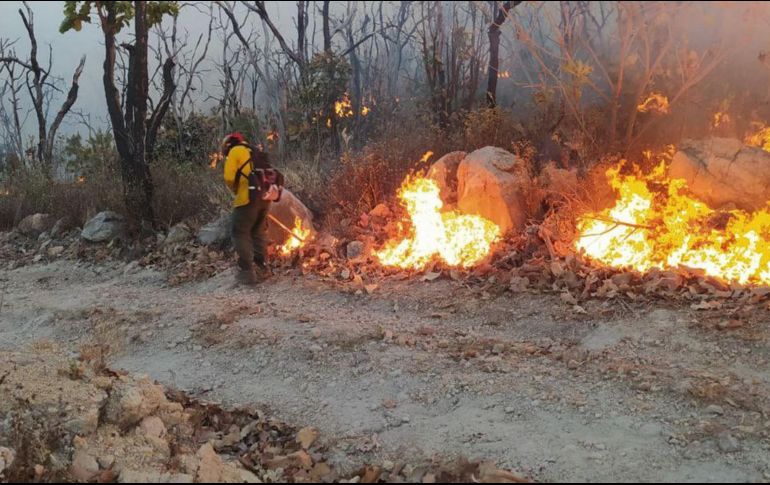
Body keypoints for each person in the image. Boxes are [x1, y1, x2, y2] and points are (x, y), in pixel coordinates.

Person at [221, 132, 283, 285]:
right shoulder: (254, 150)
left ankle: (246, 273)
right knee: (258, 232)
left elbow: (229, 177)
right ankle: (263, 269)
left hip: (247, 199)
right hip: (265, 198)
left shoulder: (235, 151)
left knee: (239, 232)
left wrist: (237, 190)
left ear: (228, 145)